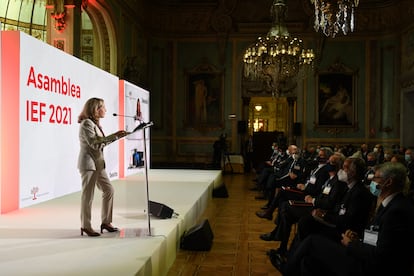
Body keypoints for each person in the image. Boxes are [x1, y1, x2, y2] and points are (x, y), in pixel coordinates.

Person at [283, 162, 414, 276]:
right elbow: (377, 239)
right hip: (363, 253)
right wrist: (358, 239)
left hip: (370, 268)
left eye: (376, 177)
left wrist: (351, 244)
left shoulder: (397, 211)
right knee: (309, 262)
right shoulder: (390, 204)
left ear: (389, 182)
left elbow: (382, 256)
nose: (372, 181)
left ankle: (287, 270)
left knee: (312, 241)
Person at [77, 97, 127, 237]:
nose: (105, 110)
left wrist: (116, 136)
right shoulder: (87, 123)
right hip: (89, 164)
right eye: (103, 107)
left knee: (109, 190)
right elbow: (94, 143)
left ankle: (106, 222)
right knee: (88, 196)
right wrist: (114, 136)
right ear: (95, 109)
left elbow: (101, 143)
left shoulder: (95, 124)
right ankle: (85, 226)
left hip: (98, 164)